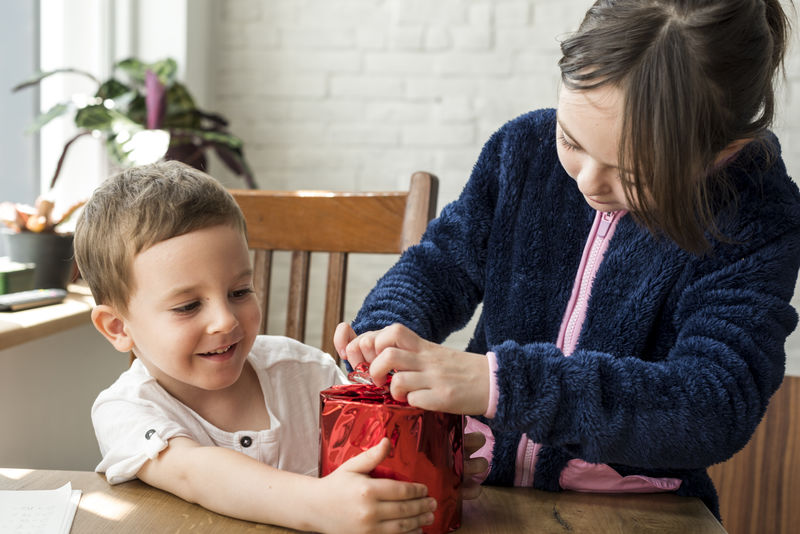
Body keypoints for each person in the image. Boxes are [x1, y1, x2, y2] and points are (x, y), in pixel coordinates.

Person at [335, 0, 800, 520]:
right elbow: (440, 264)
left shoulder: (755, 216)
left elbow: (711, 406)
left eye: (634, 173)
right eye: (571, 141)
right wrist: (385, 331)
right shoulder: (522, 149)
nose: (587, 182)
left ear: (723, 150)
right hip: (481, 485)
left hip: (635, 511)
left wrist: (501, 385)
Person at [75, 161, 486, 534]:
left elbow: (369, 470)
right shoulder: (124, 410)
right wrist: (318, 505)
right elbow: (194, 473)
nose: (225, 320)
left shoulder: (308, 373)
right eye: (188, 306)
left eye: (240, 291)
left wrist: (423, 463)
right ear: (117, 327)